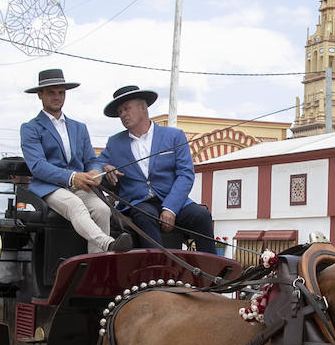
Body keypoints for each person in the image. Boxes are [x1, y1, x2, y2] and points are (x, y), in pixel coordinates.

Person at [20, 67, 132, 254]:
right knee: (75, 206)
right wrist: (72, 177)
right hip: (51, 186)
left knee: (103, 209)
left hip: (81, 186)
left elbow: (91, 160)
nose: (57, 97)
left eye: (61, 93)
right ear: (40, 95)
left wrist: (96, 172)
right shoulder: (30, 128)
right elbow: (38, 166)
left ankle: (96, 269)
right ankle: (108, 245)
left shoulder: (79, 128)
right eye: (51, 93)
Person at [98, 83, 216, 253]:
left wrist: (170, 208)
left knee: (201, 216)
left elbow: (185, 174)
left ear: (143, 108)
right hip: (139, 203)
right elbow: (94, 164)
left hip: (173, 200)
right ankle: (160, 269)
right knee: (144, 216)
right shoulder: (114, 143)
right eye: (120, 112)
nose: (123, 115)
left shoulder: (174, 136)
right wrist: (106, 166)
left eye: (126, 109)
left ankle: (212, 274)